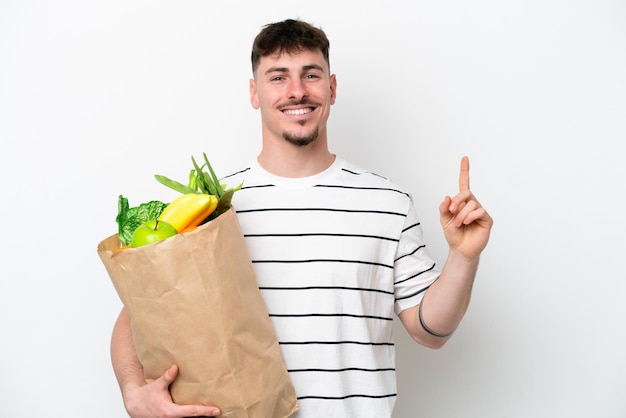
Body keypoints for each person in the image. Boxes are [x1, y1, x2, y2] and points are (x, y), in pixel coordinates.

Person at [110, 18, 493, 418]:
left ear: (331, 88)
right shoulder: (210, 207)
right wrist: (134, 390)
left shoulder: (387, 203)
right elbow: (141, 310)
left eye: (311, 75)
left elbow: (431, 332)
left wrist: (464, 257)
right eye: (278, 77)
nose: (297, 91)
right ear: (254, 92)